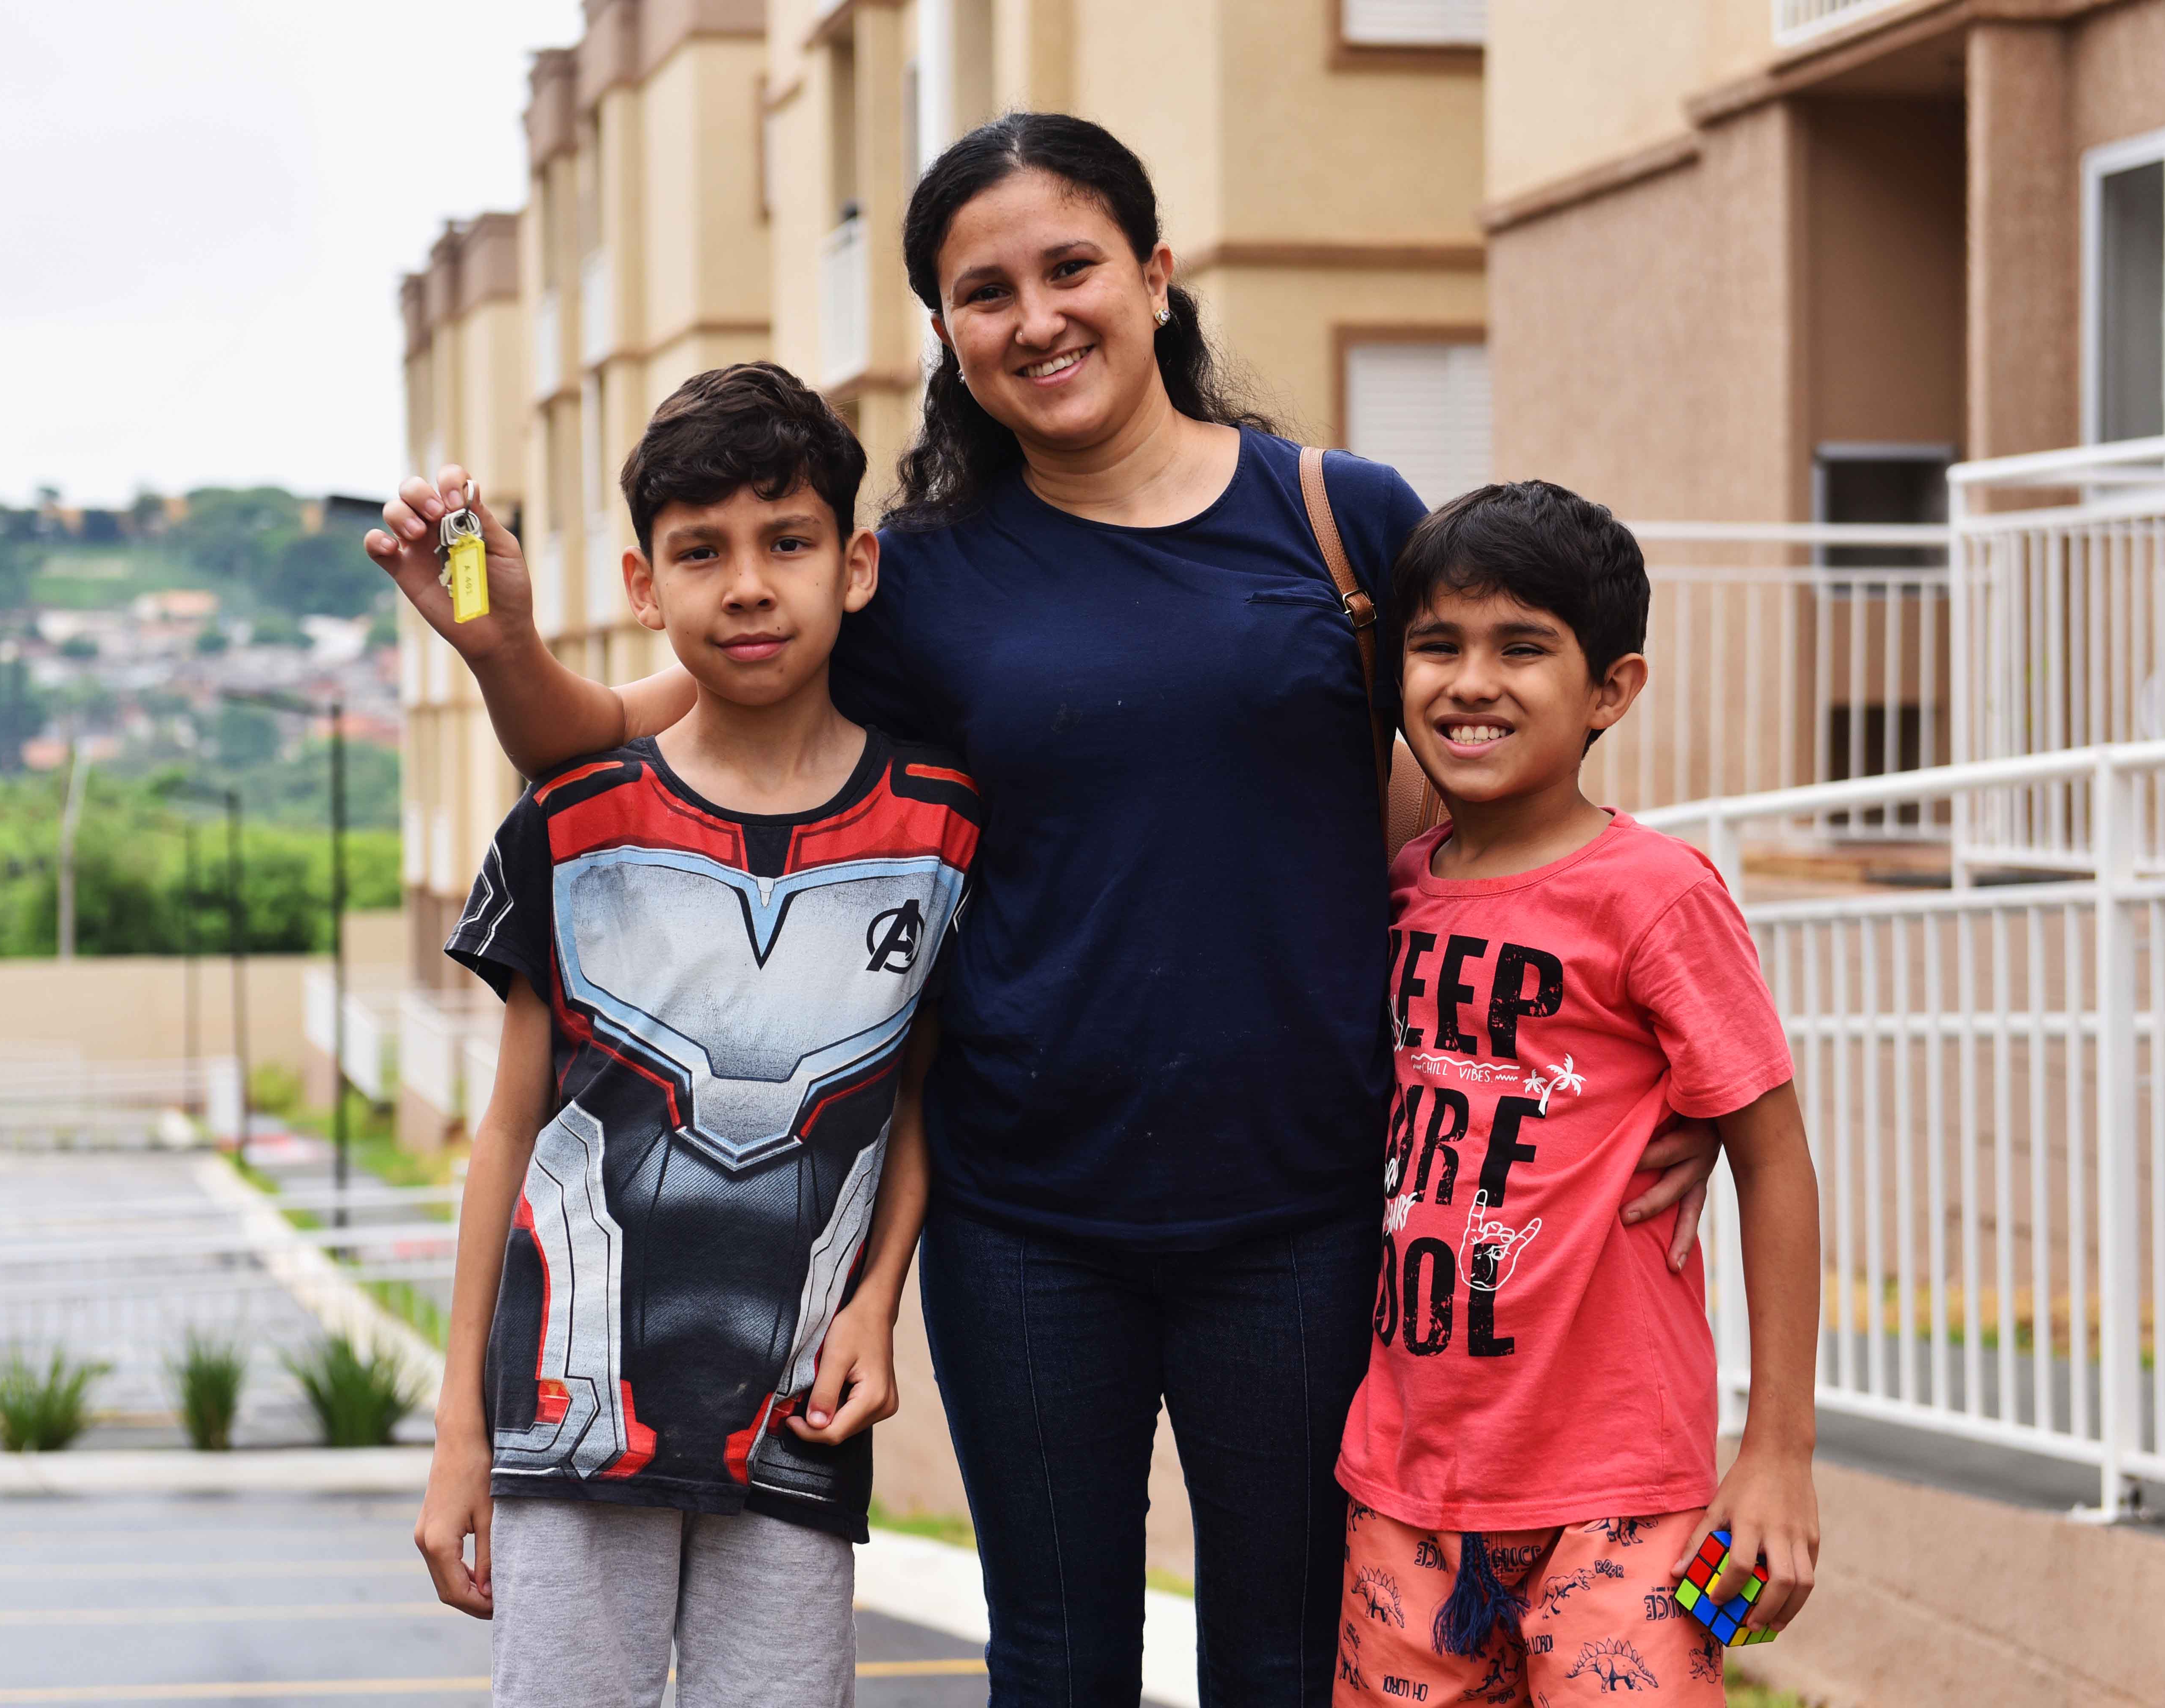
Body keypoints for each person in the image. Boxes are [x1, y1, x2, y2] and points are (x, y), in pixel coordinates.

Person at [372, 113, 1717, 1708]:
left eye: (1071, 267)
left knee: (1288, 1667)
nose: (1037, 318)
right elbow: (606, 740)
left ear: (1155, 274)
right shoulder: (915, 575)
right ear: (947, 333)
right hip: (1024, 1227)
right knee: (1060, 1668)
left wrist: (1636, 1087)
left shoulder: (1341, 518)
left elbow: (1493, 824)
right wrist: (497, 641)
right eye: (985, 293)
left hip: (1301, 1209)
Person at [401, 364, 983, 1708]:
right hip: (567, 1424)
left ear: (856, 566)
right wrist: (459, 1432)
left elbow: (917, 1102)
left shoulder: (942, 827)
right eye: (701, 552)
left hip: (793, 1428)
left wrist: (878, 1303)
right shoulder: (572, 822)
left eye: (789, 543)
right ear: (644, 588)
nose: (749, 586)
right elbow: (508, 1132)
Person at [1331, 481, 1822, 1705]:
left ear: (1612, 688)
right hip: (1406, 1484)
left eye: (1522, 648)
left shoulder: (1659, 893)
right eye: (1437, 646)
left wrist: (1777, 1454)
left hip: (1629, 1493)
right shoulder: (1398, 888)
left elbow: (1774, 1157)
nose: (1470, 683)